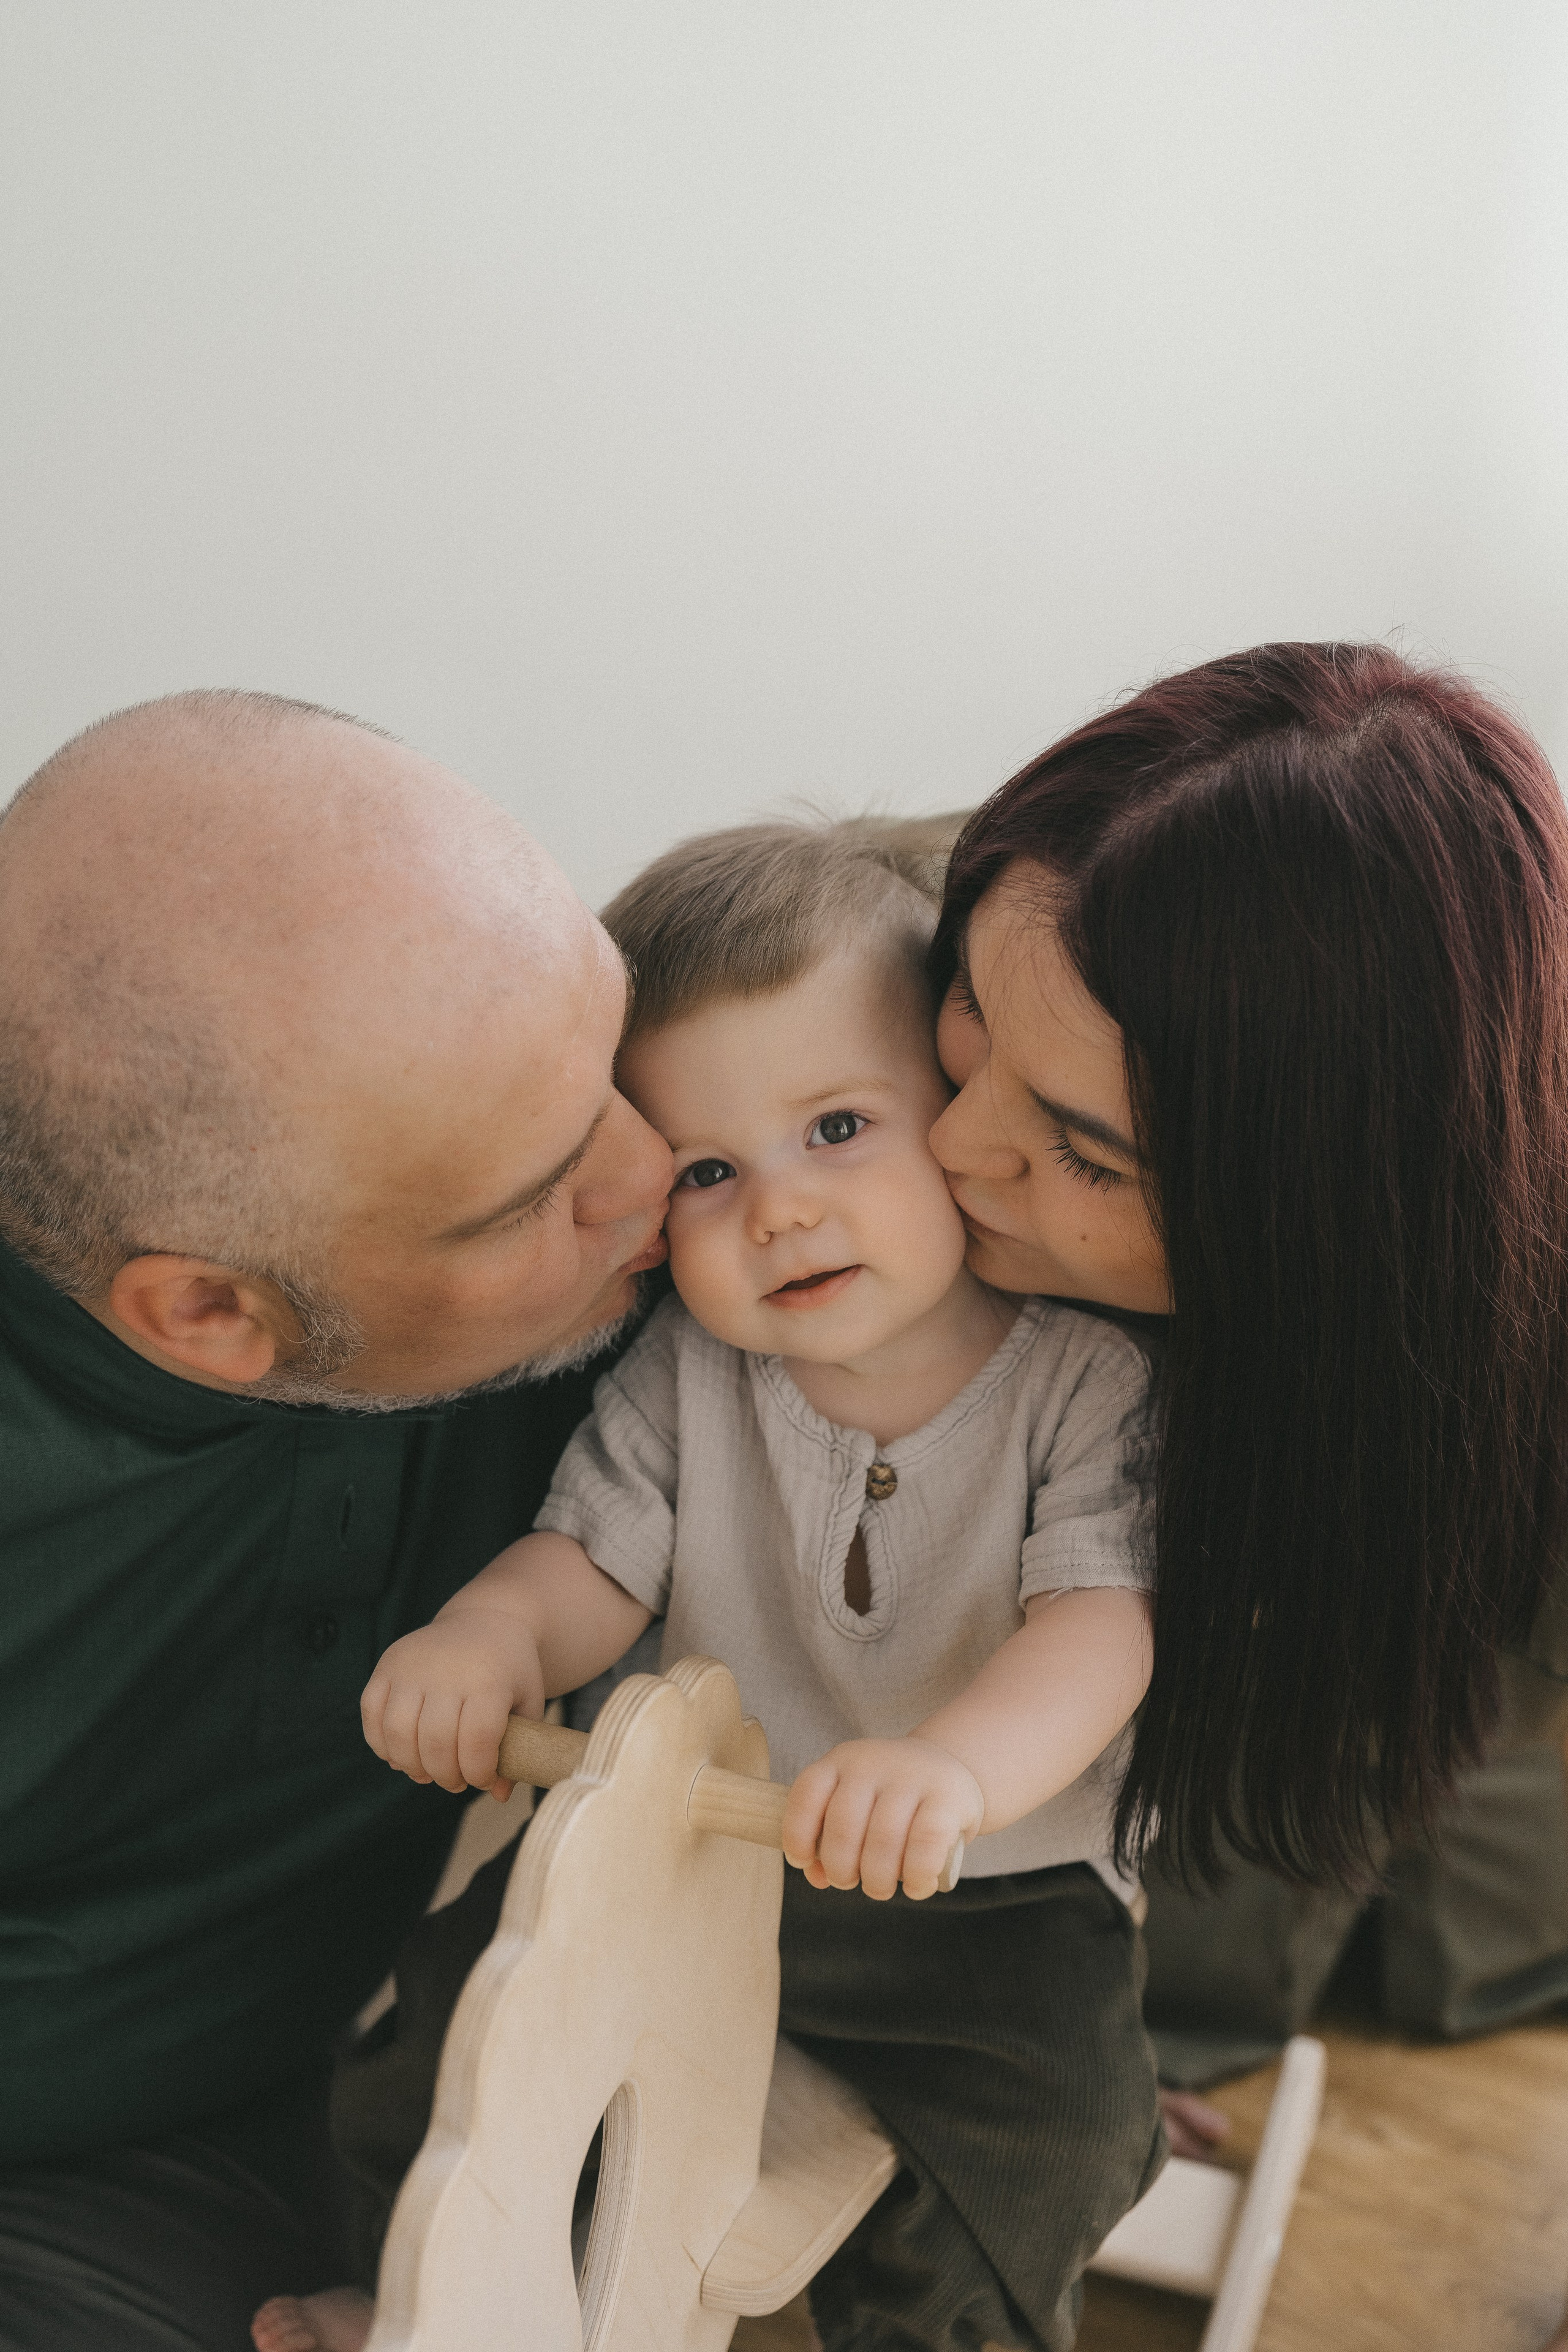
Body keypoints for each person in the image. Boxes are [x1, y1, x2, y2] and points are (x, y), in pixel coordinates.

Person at [255, 817, 1164, 2352]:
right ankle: (425, 2292)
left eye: (835, 1130)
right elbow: (593, 1560)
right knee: (448, 2020)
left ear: (952, 1112)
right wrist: (490, 1635)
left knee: (1053, 2135)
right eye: (704, 1170)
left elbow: (1101, 1624)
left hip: (984, 1898)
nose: (778, 1211)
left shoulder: (1080, 1379)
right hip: (690, 1852)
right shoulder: (687, 1375)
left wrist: (951, 1771)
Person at [0, 690, 674, 2351]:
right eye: (538, 1197)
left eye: (610, 1049)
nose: (656, 1169)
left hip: (191, 2152)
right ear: (217, 1317)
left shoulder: (624, 1255)